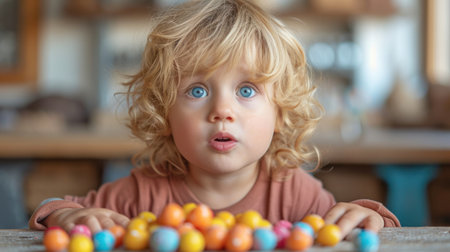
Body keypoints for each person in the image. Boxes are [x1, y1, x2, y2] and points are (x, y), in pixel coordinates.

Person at [29, 0, 399, 238]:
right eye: (197, 91)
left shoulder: (293, 191)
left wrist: (369, 215)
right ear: (165, 113)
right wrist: (66, 218)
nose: (222, 111)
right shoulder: (141, 193)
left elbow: (355, 229)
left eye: (247, 90)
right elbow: (53, 212)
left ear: (280, 112)